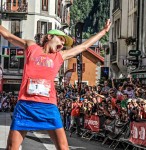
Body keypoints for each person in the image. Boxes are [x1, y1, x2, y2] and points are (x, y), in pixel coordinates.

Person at [0, 19, 111, 150]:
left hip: (48, 106)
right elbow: (7, 35)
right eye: (61, 39)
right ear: (49, 36)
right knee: (11, 147)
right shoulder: (31, 47)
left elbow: (83, 47)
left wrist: (103, 32)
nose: (62, 44)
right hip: (26, 104)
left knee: (63, 147)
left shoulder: (59, 56)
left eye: (64, 43)